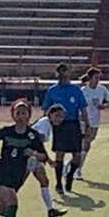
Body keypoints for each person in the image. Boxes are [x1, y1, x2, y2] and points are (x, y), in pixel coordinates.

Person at [41, 63, 87, 194]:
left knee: (77, 156)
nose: (63, 75)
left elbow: (82, 108)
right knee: (59, 154)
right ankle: (59, 183)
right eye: (61, 72)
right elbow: (46, 109)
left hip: (73, 123)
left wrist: (87, 124)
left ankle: (70, 174)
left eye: (65, 72)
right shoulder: (52, 90)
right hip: (59, 125)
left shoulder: (75, 89)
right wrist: (46, 124)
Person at [29, 109, 69, 217]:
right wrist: (48, 159)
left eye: (61, 117)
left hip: (34, 155)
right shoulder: (45, 123)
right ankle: (4, 203)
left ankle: (50, 210)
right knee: (18, 182)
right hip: (29, 155)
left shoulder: (48, 124)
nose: (59, 119)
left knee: (44, 181)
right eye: (56, 115)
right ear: (50, 114)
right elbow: (38, 142)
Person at [77, 67, 109, 179]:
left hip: (95, 120)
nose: (98, 80)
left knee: (88, 144)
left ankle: (74, 165)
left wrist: (104, 106)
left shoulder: (102, 89)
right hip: (84, 120)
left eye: (99, 78)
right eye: (96, 78)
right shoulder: (83, 91)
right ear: (90, 78)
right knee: (85, 143)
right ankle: (77, 169)